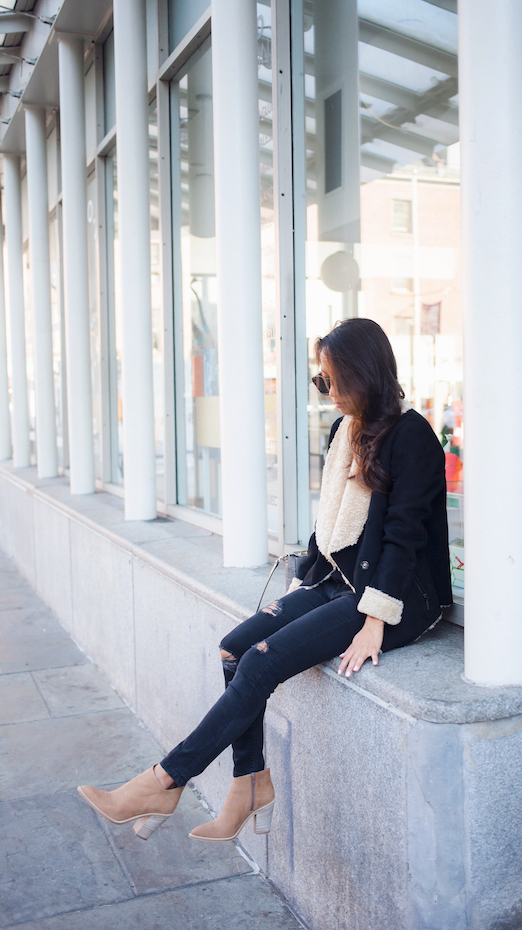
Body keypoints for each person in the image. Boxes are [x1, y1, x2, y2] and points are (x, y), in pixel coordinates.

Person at [77, 318, 452, 843]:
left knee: (260, 662)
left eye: (333, 380)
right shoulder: (348, 431)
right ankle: (250, 783)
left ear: (365, 374)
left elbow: (403, 536)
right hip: (339, 582)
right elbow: (333, 525)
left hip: (392, 597)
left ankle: (164, 779)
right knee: (235, 648)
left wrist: (375, 623)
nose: (329, 393)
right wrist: (308, 583)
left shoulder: (411, 436)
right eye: (322, 382)